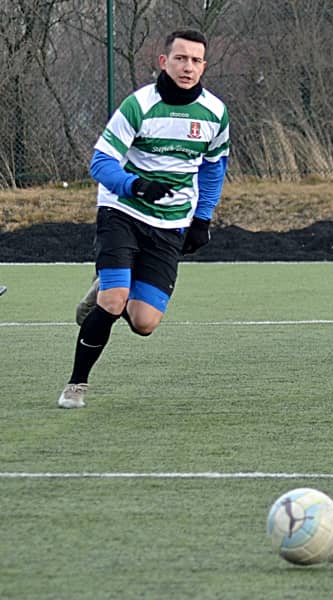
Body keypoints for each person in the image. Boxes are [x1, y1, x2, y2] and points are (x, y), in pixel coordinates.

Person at [58, 28, 230, 408]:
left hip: (170, 222)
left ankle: (106, 284)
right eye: (180, 58)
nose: (187, 67)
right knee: (114, 301)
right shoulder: (138, 105)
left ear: (204, 66)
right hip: (122, 211)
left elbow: (214, 168)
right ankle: (76, 385)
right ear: (163, 61)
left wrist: (202, 219)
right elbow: (100, 163)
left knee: (144, 322)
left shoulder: (215, 113)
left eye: (195, 60)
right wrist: (134, 185)